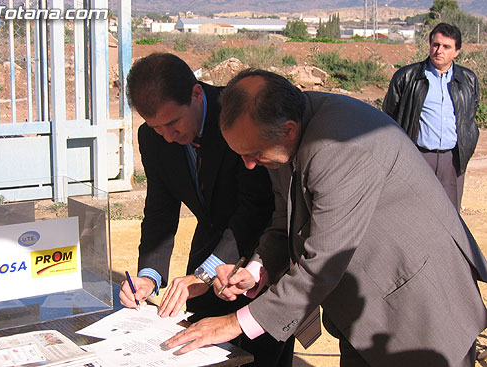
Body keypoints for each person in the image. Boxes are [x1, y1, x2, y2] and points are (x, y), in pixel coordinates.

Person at [163, 69, 487, 367]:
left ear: (287, 130)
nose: (249, 165)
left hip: (418, 308)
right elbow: (283, 220)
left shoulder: (341, 144)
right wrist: (255, 271)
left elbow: (323, 262)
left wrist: (234, 323)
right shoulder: (282, 137)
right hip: (364, 308)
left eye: (254, 154)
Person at [119, 53, 294, 366]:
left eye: (173, 123)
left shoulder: (240, 116)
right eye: (156, 127)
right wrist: (149, 275)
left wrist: (206, 271)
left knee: (262, 356)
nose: (168, 137)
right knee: (199, 352)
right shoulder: (153, 137)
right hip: (208, 253)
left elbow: (256, 207)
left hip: (263, 256)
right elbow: (160, 208)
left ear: (196, 95)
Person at [383, 23, 480, 211]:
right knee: (415, 211)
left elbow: (469, 116)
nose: (439, 51)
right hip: (418, 157)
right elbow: (390, 115)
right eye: (435, 45)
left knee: (450, 215)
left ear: (457, 51)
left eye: (446, 47)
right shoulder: (407, 77)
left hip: (452, 160)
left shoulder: (468, 80)